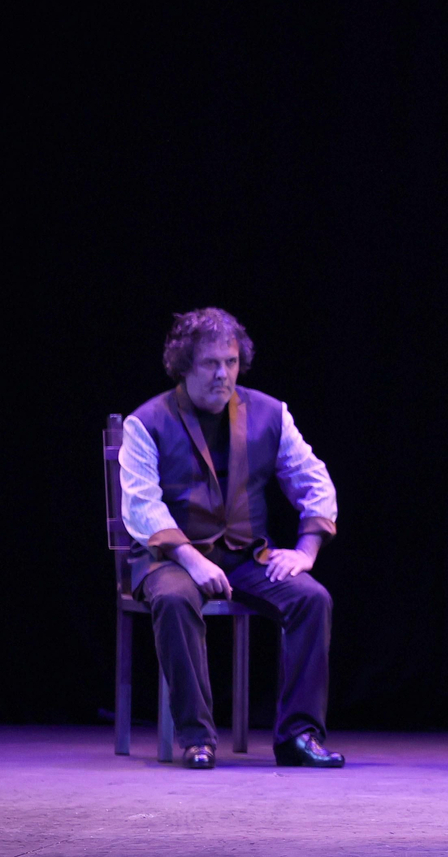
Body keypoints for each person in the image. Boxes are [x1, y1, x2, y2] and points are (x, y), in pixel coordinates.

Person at [119, 308, 344, 770]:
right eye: (210, 363)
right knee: (176, 600)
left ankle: (299, 735)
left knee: (311, 599)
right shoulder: (146, 423)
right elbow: (142, 506)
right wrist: (191, 559)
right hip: (169, 559)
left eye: (232, 362)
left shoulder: (269, 414)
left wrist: (307, 549)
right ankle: (197, 737)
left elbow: (314, 481)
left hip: (244, 555)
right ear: (183, 365)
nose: (223, 374)